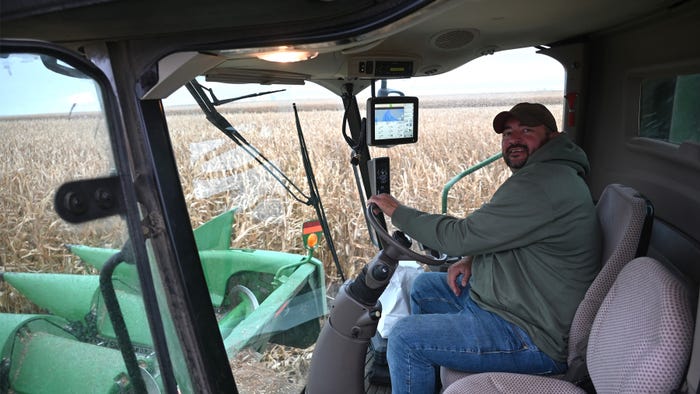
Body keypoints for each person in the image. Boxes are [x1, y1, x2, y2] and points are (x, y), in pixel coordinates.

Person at [367, 102, 601, 393]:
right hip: (515, 300)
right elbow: (502, 234)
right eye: (507, 133)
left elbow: (460, 235)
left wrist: (397, 211)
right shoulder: (547, 175)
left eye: (526, 130)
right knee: (424, 286)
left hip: (531, 334)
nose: (514, 139)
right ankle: (425, 376)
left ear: (553, 137)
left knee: (404, 338)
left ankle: (420, 362)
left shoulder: (542, 185)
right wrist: (471, 260)